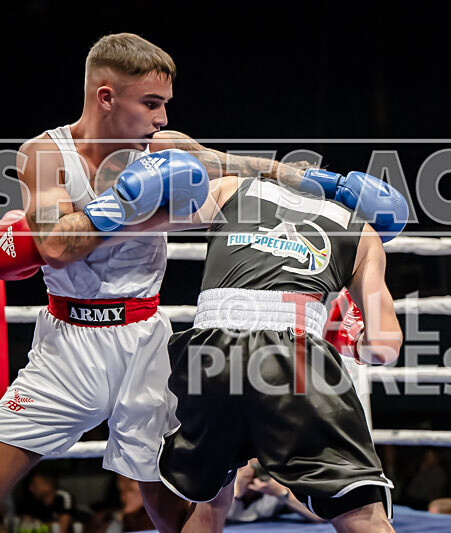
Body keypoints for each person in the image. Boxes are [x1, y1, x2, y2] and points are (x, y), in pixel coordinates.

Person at [0, 32, 302, 533]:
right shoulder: (44, 154)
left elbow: (240, 170)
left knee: (166, 506)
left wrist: (327, 185)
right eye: (151, 103)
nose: (163, 119)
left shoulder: (165, 147)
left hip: (144, 343)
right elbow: (53, 245)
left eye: (165, 104)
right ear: (106, 97)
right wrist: (140, 206)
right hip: (66, 345)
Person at [155, 168, 407, 532]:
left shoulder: (234, 187)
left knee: (208, 506)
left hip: (208, 355)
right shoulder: (364, 235)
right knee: (363, 516)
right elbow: (385, 347)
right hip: (294, 358)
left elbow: (148, 214)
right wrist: (352, 338)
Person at [228, 460, 325, 523]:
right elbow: (217, 520)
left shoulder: (276, 480)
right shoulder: (226, 484)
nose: (255, 467)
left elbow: (320, 518)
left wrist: (282, 493)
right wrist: (238, 493)